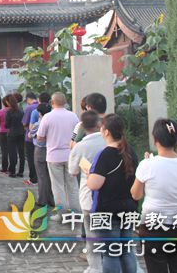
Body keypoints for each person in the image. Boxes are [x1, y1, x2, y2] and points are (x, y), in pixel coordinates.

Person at [130, 118, 177, 273]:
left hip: (153, 226)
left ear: (155, 139)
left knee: (156, 268)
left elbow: (136, 195)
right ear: (176, 139)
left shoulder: (147, 165)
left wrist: (144, 167)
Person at [87, 114, 138, 272]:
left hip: (107, 211)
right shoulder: (131, 152)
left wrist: (89, 175)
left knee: (110, 254)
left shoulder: (105, 154)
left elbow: (94, 184)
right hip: (129, 208)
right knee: (127, 251)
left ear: (106, 131)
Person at [68, 110, 106, 273]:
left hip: (88, 195)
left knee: (91, 235)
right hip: (109, 195)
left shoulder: (80, 146)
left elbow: (73, 171)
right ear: (99, 124)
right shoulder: (108, 142)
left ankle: (95, 267)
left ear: (82, 126)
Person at [36, 92, 80, 216]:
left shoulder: (48, 117)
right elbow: (77, 134)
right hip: (70, 155)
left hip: (54, 155)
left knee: (57, 186)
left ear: (52, 102)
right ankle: (76, 211)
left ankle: (61, 213)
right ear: (65, 102)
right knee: (72, 184)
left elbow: (40, 137)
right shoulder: (73, 116)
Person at [31, 102, 55, 208]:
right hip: (51, 149)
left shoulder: (39, 123)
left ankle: (42, 200)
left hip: (40, 150)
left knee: (41, 176)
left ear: (40, 113)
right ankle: (51, 199)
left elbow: (31, 134)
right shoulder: (53, 122)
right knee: (50, 176)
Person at [5, 94, 25, 178]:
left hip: (12, 133)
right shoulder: (21, 110)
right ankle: (21, 171)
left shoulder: (9, 112)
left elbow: (7, 125)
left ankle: (12, 171)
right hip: (21, 132)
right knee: (21, 153)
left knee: (12, 153)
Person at [22, 92, 39, 185]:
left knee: (31, 159)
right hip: (41, 138)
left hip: (30, 137)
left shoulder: (29, 108)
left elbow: (24, 122)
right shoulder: (41, 106)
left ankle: (33, 178)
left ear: (28, 99)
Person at [0, 98, 10, 174]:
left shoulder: (0, 112)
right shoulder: (13, 110)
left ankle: (4, 167)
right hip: (10, 132)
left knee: (4, 151)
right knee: (11, 150)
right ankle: (12, 166)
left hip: (2, 132)